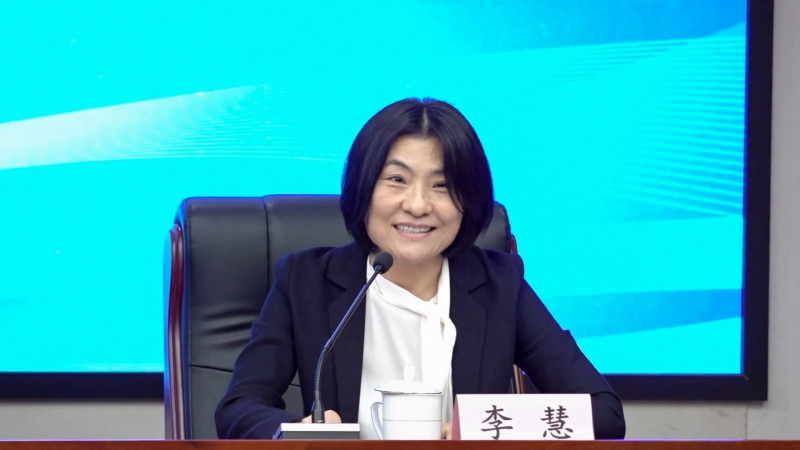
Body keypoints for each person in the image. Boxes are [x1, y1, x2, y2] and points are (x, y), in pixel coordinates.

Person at [215, 98, 626, 440]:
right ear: (363, 188)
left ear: (469, 201)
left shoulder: (500, 285)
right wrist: (297, 433)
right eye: (396, 179)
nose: (417, 205)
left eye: (442, 185)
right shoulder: (304, 281)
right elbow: (239, 408)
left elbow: (603, 412)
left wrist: (483, 429)